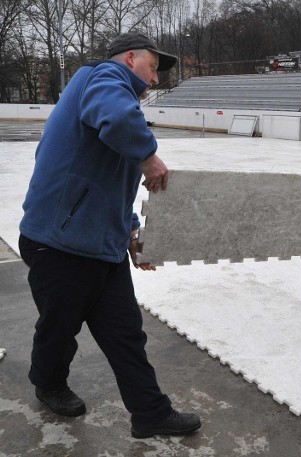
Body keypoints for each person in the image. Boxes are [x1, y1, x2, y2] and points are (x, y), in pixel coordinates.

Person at [18, 32, 201, 438]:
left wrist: (130, 232)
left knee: (126, 334)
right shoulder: (101, 77)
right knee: (60, 330)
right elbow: (119, 121)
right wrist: (149, 155)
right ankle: (48, 383)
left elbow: (114, 185)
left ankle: (151, 413)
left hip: (100, 244)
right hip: (59, 243)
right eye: (153, 68)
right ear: (130, 58)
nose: (154, 80)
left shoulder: (115, 99)